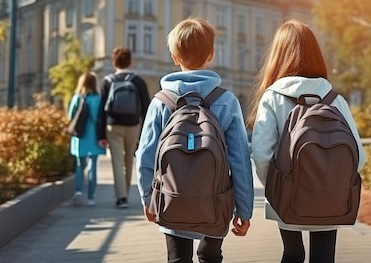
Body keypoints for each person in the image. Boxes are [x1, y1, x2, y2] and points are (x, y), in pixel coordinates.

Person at [247, 18, 367, 263]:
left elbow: (261, 154)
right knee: (324, 257)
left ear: (278, 56)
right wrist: (332, 181)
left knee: (292, 254)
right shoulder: (334, 99)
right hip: (331, 197)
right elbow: (359, 157)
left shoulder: (273, 97)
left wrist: (276, 188)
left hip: (287, 196)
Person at [135, 16, 254, 263]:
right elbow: (241, 159)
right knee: (210, 257)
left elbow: (145, 154)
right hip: (217, 202)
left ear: (175, 57)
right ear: (211, 54)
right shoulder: (227, 101)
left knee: (177, 259)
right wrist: (244, 209)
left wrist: (148, 198)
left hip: (171, 198)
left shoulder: (161, 101)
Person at [98, 46, 150, 208]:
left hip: (113, 126)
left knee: (117, 162)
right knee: (129, 161)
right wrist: (145, 132)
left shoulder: (107, 81)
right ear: (130, 62)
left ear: (114, 62)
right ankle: (125, 194)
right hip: (132, 126)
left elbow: (101, 110)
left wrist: (101, 135)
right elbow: (146, 108)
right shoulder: (138, 81)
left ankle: (121, 198)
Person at [68, 71, 106, 207]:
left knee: (79, 165)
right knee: (93, 167)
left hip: (80, 136)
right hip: (95, 136)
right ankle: (91, 197)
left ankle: (78, 191)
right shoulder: (99, 99)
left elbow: (70, 116)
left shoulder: (77, 98)